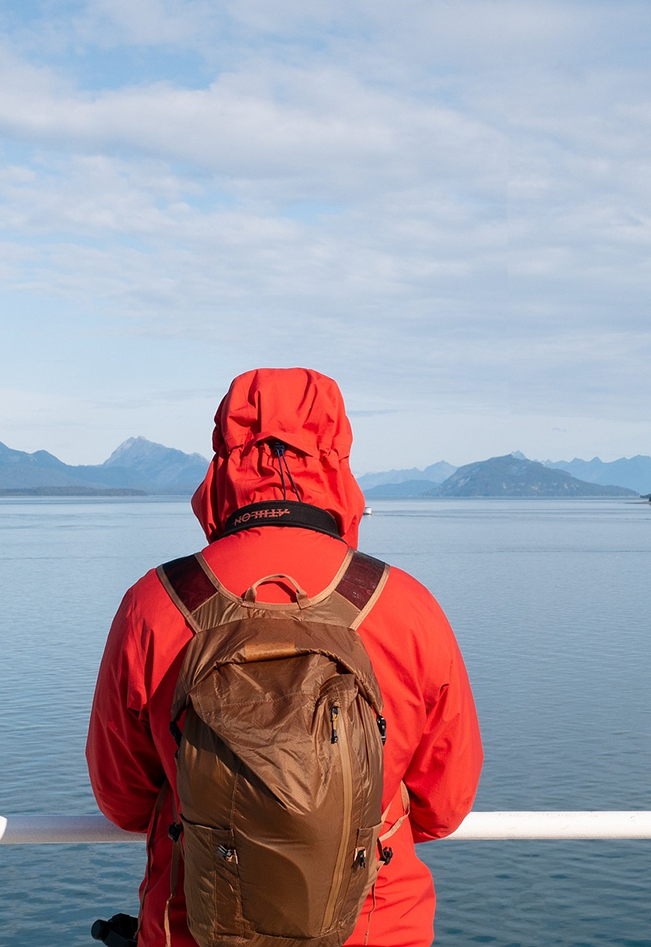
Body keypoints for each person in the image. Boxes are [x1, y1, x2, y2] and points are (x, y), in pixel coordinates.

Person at [87, 367, 482, 947]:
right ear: (339, 460)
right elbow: (443, 807)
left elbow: (122, 800)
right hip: (376, 929)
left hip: (191, 928)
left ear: (221, 462)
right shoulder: (404, 605)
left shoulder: (156, 604)